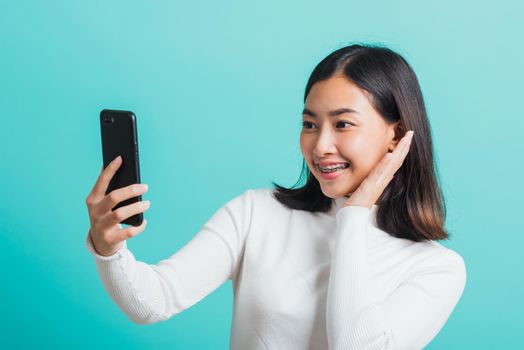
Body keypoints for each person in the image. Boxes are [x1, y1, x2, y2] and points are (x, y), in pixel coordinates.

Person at [85, 43, 467, 350]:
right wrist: (108, 250)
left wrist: (355, 215)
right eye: (309, 124)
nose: (321, 146)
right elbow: (153, 301)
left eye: (343, 124)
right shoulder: (256, 212)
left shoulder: (436, 269)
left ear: (397, 137)